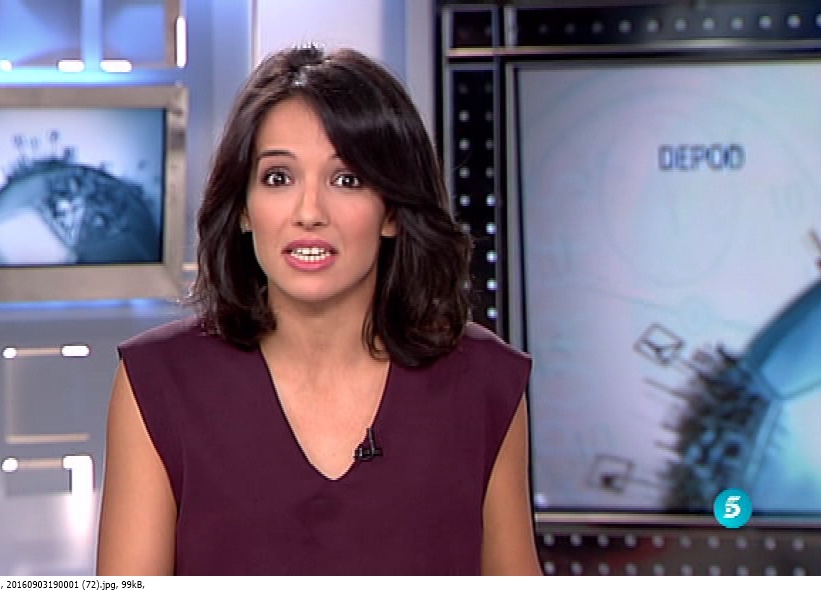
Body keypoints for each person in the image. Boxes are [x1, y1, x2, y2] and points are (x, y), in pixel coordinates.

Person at [96, 45, 542, 576]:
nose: (309, 213)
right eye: (278, 178)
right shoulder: (159, 382)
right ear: (243, 209)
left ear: (392, 212)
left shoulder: (483, 381)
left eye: (346, 179)